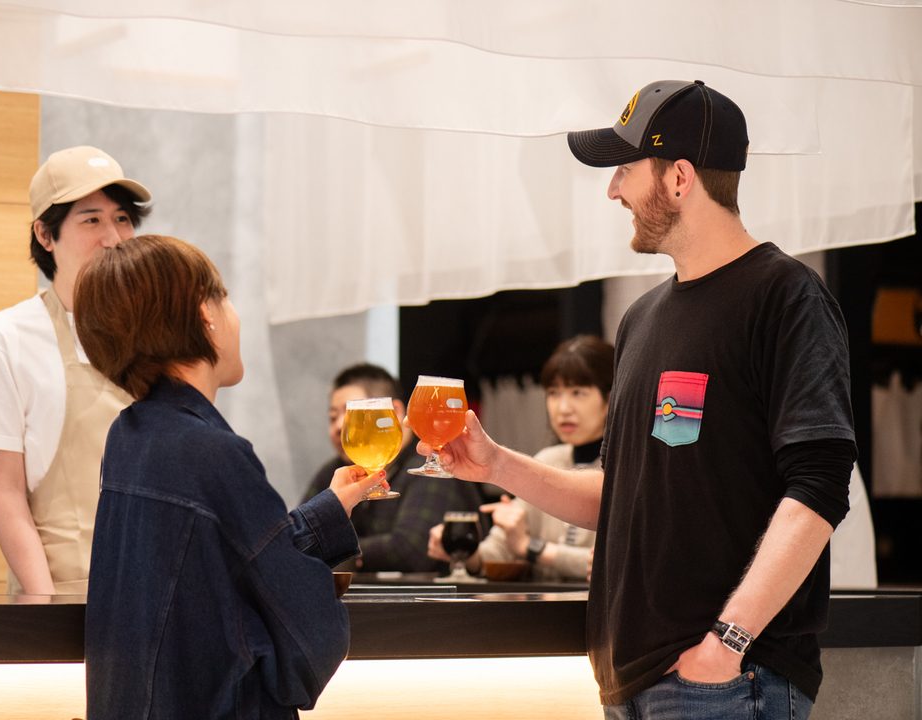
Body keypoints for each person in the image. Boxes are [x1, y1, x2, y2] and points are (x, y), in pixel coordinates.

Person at [422, 80, 854, 719]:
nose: (613, 190)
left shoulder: (786, 297)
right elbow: (623, 492)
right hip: (631, 681)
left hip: (726, 682)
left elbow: (818, 488)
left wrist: (728, 642)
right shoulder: (641, 320)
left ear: (679, 178)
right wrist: (498, 465)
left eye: (626, 168)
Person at [75, 234, 384, 719]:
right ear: (206, 316)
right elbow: (306, 636)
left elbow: (228, 566)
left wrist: (332, 507)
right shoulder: (213, 453)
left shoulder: (129, 435)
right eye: (227, 297)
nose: (235, 315)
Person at [0, 146, 152, 594]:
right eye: (91, 220)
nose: (114, 238)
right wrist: (43, 602)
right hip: (65, 593)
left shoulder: (155, 333)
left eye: (122, 218)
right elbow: (6, 493)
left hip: (154, 592)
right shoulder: (4, 338)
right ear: (45, 234)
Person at [426, 335, 612, 582]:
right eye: (554, 393)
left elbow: (608, 563)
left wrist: (531, 548)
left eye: (578, 393)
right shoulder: (547, 460)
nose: (563, 408)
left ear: (610, 399)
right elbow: (497, 553)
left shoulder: (623, 467)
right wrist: (463, 552)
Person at [301, 363, 483, 572]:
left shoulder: (434, 466)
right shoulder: (335, 472)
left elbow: (409, 550)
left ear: (394, 412)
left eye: (352, 412)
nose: (339, 426)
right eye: (333, 417)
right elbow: (298, 539)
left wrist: (332, 550)